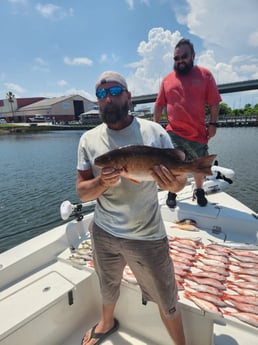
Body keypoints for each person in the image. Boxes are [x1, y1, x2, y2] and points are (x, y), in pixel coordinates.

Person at [77, 71, 187, 345]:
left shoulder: (154, 131)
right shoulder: (88, 140)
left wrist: (171, 184)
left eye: (115, 92)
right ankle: (107, 321)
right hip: (104, 232)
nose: (108, 99)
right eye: (102, 94)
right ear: (97, 101)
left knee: (165, 295)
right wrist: (101, 182)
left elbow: (180, 182)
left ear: (129, 96)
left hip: (147, 235)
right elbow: (82, 192)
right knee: (107, 282)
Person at [154, 38, 222, 207]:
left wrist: (213, 124)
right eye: (176, 58)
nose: (180, 61)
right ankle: (172, 191)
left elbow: (214, 102)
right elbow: (159, 105)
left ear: (193, 55)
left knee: (199, 165)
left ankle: (199, 190)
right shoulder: (167, 80)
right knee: (172, 165)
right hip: (173, 133)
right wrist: (156, 128)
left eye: (183, 57)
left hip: (198, 133)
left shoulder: (205, 75)